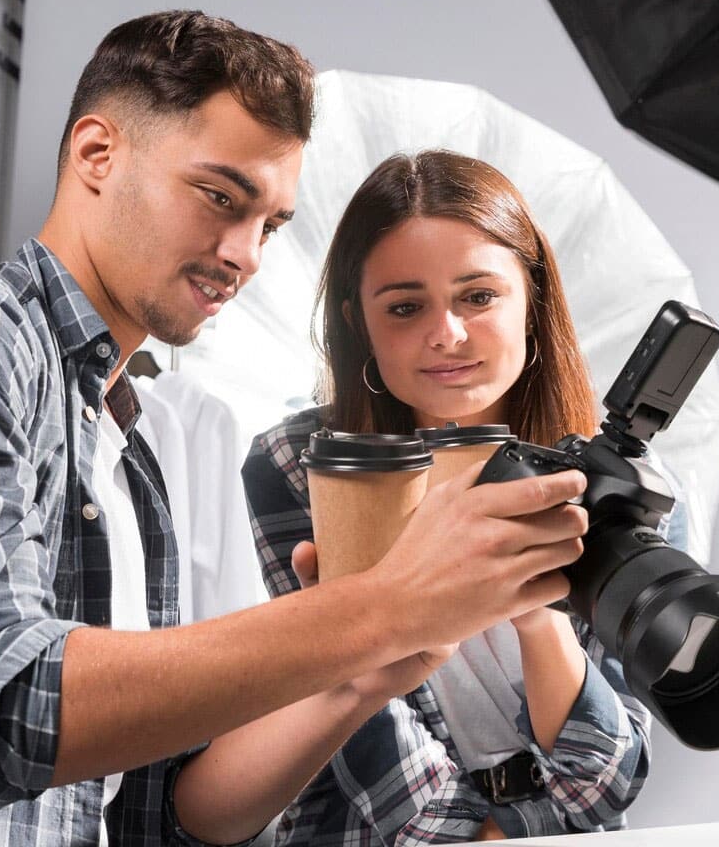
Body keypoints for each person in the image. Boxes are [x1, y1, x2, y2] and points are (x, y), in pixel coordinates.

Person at [0, 14, 591, 846]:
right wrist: (381, 605)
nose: (243, 252)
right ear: (96, 152)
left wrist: (372, 669)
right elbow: (7, 709)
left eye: (269, 224)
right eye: (218, 196)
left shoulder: (132, 451)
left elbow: (161, 818)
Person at [244, 150, 672, 842]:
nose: (446, 334)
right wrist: (482, 839)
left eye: (478, 296)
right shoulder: (300, 465)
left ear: (530, 298)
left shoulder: (617, 481)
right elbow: (358, 720)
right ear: (358, 320)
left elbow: (611, 784)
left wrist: (538, 611)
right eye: (407, 307)